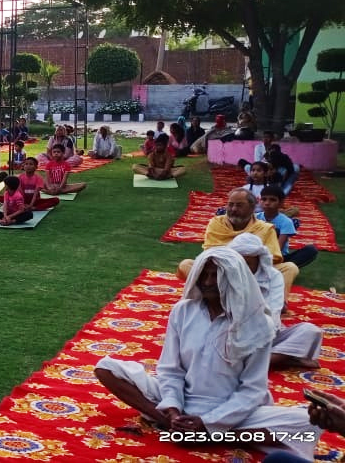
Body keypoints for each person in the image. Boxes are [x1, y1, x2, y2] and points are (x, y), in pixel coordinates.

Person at [94, 247, 321, 460]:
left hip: (234, 411)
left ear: (233, 279)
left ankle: (208, 435)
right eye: (204, 275)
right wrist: (173, 412)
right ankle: (171, 424)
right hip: (181, 401)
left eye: (216, 276)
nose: (208, 282)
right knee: (107, 367)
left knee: (307, 424)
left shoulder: (258, 323)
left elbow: (252, 390)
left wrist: (208, 423)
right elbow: (170, 370)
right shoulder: (183, 311)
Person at [227, 233, 323, 370]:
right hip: (230, 333)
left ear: (258, 259)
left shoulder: (274, 277)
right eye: (239, 262)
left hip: (266, 333)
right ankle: (280, 358)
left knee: (310, 331)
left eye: (247, 262)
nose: (242, 267)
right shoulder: (227, 274)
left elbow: (272, 314)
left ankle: (253, 363)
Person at [178, 188, 299, 291]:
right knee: (186, 264)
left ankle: (281, 303)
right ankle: (208, 293)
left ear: (252, 208)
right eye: (230, 204)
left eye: (239, 205)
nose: (233, 209)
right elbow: (210, 251)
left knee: (290, 267)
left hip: (254, 274)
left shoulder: (265, 228)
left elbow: (274, 257)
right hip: (220, 271)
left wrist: (249, 262)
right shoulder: (216, 223)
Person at [257, 185, 317, 269]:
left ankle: (279, 268)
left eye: (272, 200)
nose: (267, 203)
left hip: (278, 257)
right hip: (255, 254)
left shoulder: (286, 222)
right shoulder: (255, 218)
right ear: (259, 201)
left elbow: (278, 248)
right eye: (264, 199)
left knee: (311, 250)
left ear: (281, 203)